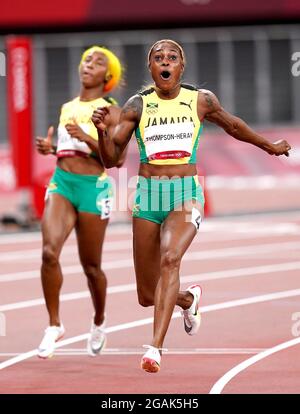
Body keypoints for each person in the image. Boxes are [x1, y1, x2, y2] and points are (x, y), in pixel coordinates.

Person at [91, 39, 291, 373]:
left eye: (171, 57)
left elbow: (233, 125)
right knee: (146, 294)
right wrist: (101, 133)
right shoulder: (137, 106)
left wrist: (268, 146)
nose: (165, 61)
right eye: (158, 57)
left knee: (170, 259)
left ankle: (154, 348)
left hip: (185, 191)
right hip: (147, 196)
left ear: (181, 67)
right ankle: (187, 299)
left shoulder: (200, 100)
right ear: (151, 68)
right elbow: (111, 159)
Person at [36, 46, 125, 359]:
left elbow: (115, 159)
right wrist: (52, 148)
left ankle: (99, 321)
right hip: (62, 182)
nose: (90, 64)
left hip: (94, 188)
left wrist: (88, 137)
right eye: (87, 59)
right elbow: (67, 147)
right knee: (49, 252)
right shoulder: (67, 106)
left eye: (99, 62)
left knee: (91, 267)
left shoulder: (111, 109)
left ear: (108, 76)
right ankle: (54, 324)